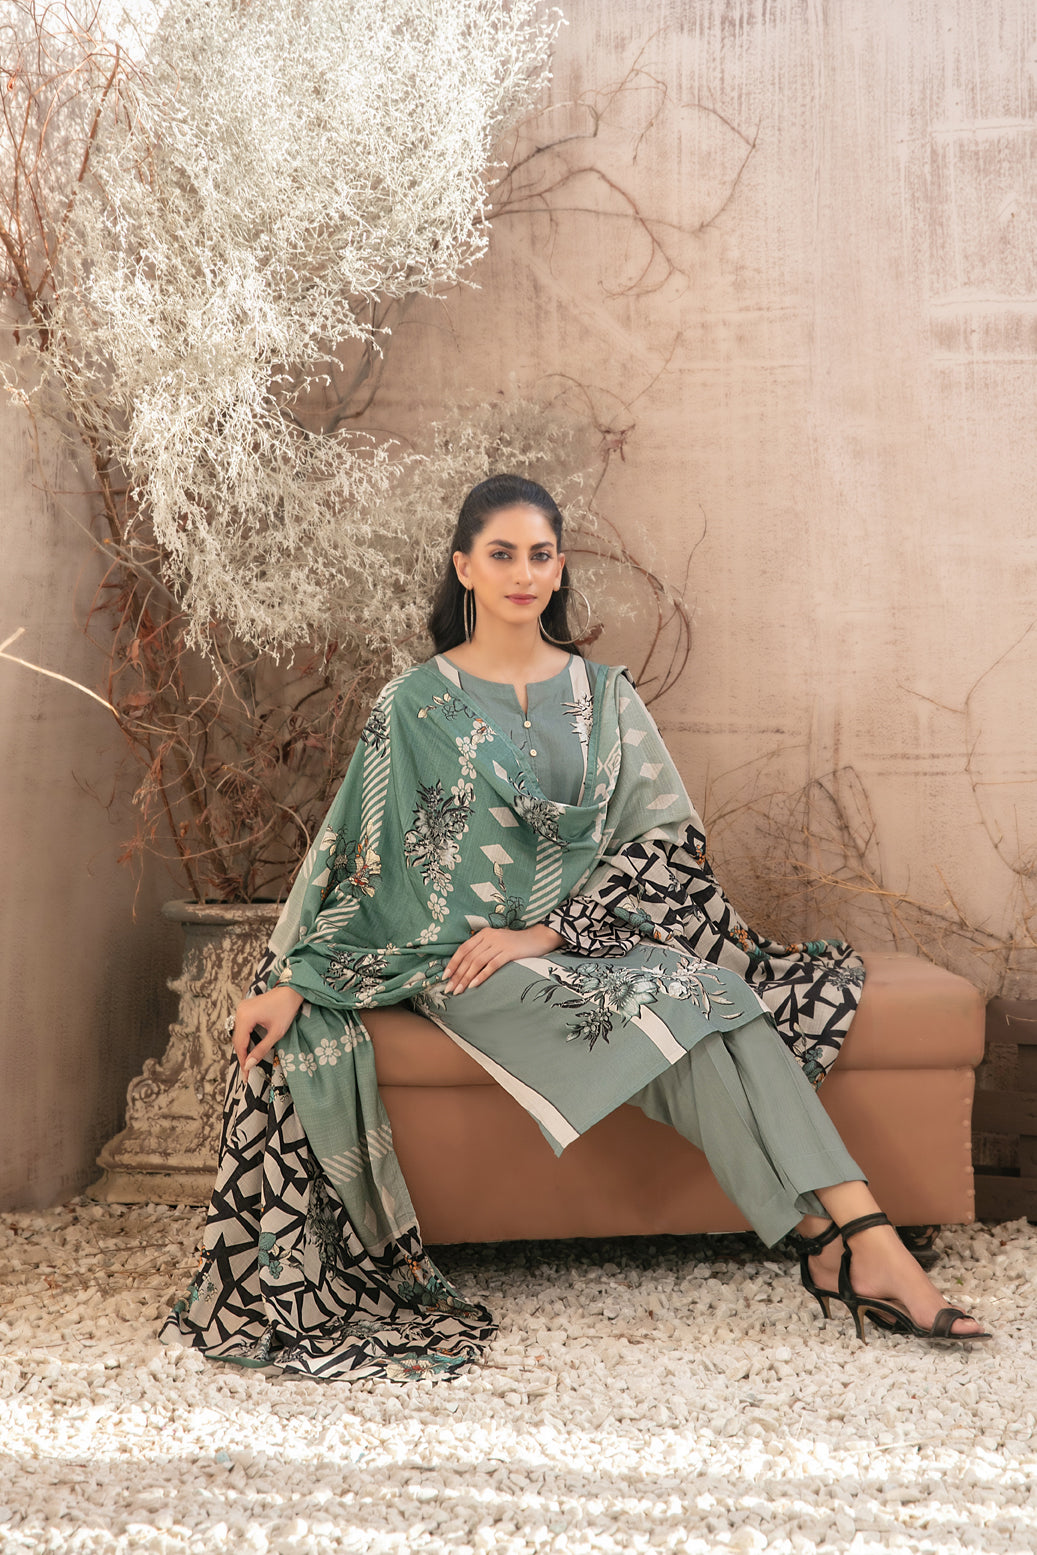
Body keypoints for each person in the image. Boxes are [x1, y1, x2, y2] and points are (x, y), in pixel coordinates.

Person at [162, 474, 988, 1381]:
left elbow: (665, 842)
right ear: (464, 568)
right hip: (459, 960)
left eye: (540, 555)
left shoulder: (606, 696)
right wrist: (294, 978)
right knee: (685, 1005)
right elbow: (358, 857)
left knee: (715, 995)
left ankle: (852, 1243)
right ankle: (844, 1245)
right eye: (502, 554)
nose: (523, 573)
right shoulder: (414, 705)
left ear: (558, 571)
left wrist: (549, 931)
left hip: (577, 940)